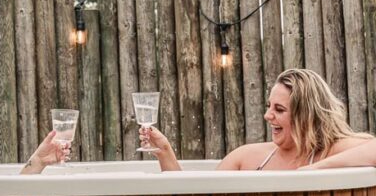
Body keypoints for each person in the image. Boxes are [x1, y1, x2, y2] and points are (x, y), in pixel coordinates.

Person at [141, 68, 372, 171]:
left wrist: (315, 169)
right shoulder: (247, 157)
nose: (268, 115)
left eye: (279, 109)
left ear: (306, 116)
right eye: (268, 106)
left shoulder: (329, 151)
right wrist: (164, 150)